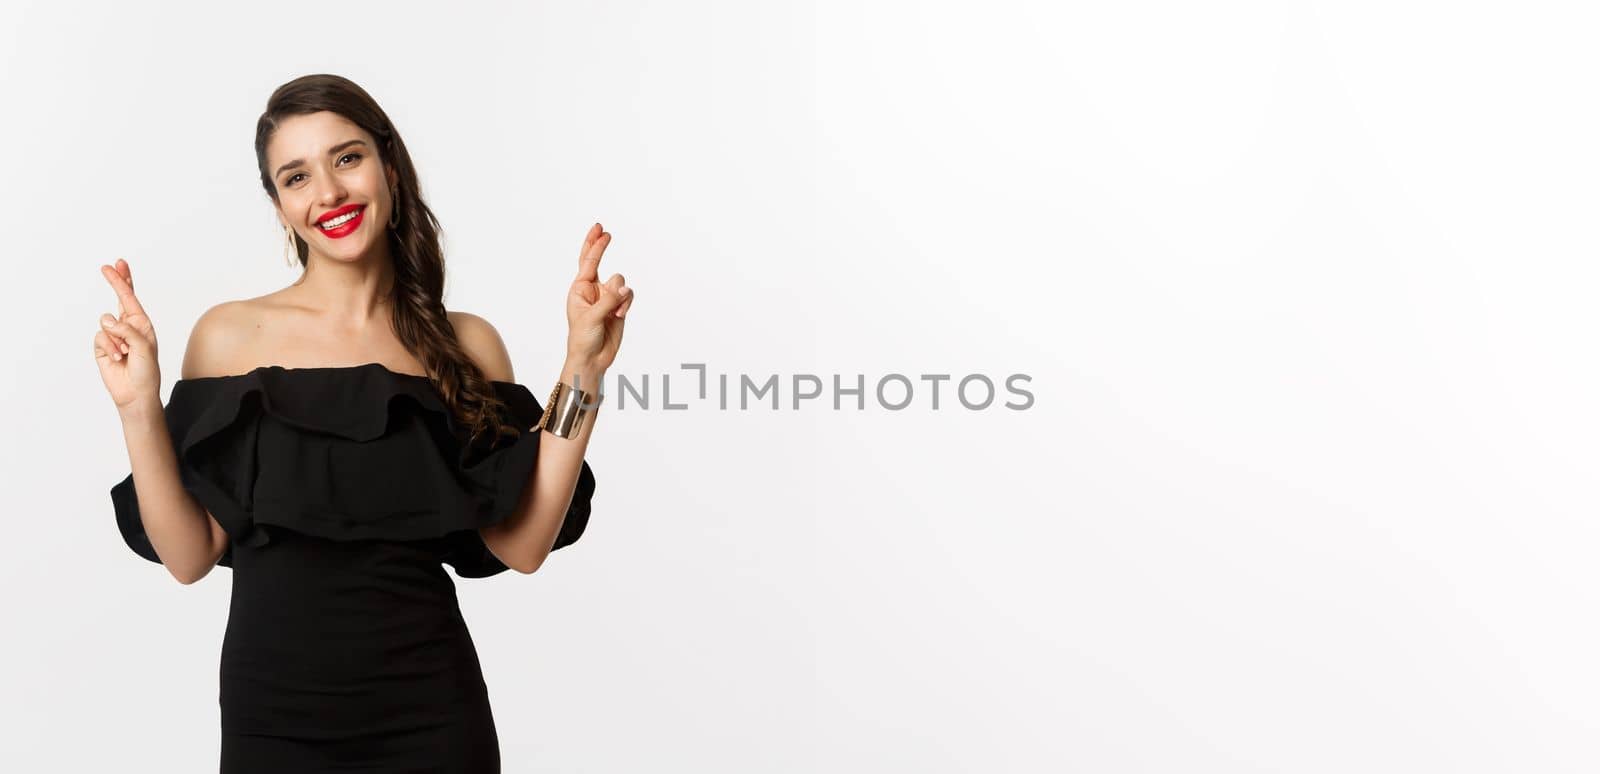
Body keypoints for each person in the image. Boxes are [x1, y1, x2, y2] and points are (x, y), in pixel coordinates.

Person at [94, 74, 633, 773]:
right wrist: (138, 404)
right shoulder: (229, 337)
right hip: (273, 722)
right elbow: (189, 555)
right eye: (296, 176)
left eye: (346, 158)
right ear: (280, 205)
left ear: (388, 165)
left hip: (432, 717)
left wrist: (581, 369)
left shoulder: (464, 343)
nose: (328, 193)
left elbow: (523, 543)